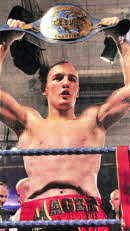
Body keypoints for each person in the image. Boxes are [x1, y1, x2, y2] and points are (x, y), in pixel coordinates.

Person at [0, 16, 130, 228]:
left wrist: (121, 39)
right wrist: (5, 42)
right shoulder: (30, 123)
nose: (65, 83)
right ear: (45, 88)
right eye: (58, 78)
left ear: (77, 90)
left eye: (72, 79)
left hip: (86, 211)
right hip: (38, 212)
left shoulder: (93, 120)